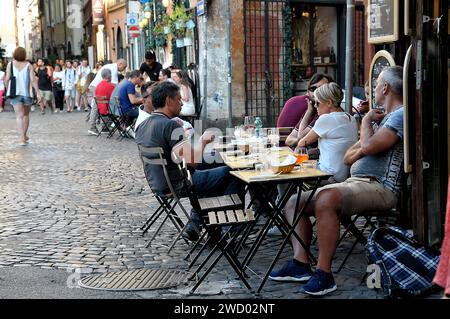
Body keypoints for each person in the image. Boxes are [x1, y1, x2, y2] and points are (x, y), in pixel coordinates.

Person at [269, 66, 405, 297]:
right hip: (356, 180)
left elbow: (368, 146)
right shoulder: (382, 118)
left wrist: (366, 123)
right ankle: (300, 264)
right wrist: (365, 137)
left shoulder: (398, 115)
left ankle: (324, 274)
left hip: (380, 185)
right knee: (293, 202)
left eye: (376, 84)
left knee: (326, 197)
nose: (372, 89)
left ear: (385, 88)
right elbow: (349, 156)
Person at [135, 81, 244, 241]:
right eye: (179, 99)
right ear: (168, 101)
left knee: (217, 163)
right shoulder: (170, 126)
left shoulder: (143, 125)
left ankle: (200, 224)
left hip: (159, 182)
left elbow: (181, 157)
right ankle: (230, 228)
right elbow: (192, 161)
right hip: (178, 183)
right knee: (233, 172)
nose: (181, 103)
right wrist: (204, 141)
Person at [296, 82, 358, 184]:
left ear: (329, 103)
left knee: (283, 175)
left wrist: (309, 111)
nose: (315, 106)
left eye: (318, 103)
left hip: (327, 176)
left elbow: (301, 142)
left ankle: (281, 200)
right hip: (344, 176)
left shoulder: (326, 119)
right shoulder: (350, 118)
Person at [3, 47, 42, 145]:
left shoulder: (10, 64)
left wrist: (8, 89)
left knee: (19, 116)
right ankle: (24, 135)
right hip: (27, 93)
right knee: (26, 115)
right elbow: (33, 80)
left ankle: (22, 138)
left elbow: (7, 79)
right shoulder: (28, 65)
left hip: (15, 93)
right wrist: (38, 93)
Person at [284, 74, 333, 147]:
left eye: (321, 89)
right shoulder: (311, 110)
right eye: (313, 89)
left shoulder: (326, 114)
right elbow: (289, 140)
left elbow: (300, 137)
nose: (316, 92)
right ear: (308, 92)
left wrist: (302, 140)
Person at [87, 58, 127, 136]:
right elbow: (115, 86)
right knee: (97, 105)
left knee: (104, 104)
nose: (124, 69)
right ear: (120, 64)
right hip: (97, 86)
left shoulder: (111, 66)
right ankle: (92, 127)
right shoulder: (113, 69)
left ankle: (105, 126)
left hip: (98, 86)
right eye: (124, 67)